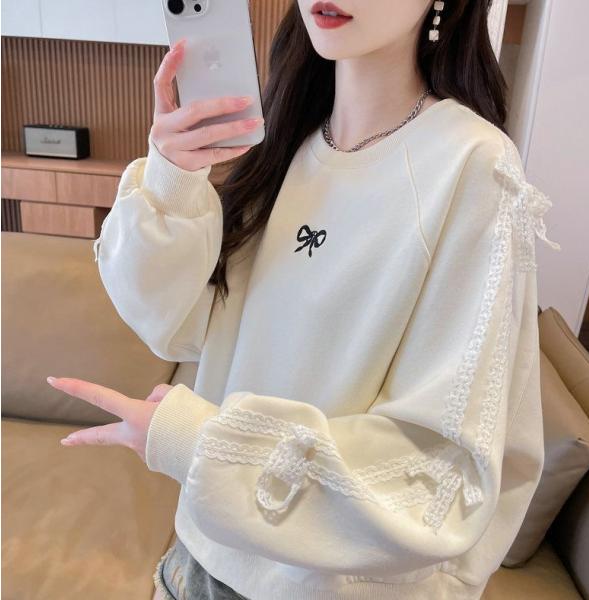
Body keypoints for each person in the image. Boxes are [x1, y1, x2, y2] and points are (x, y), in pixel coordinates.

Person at [52, 0, 562, 598]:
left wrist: (200, 444)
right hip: (196, 562)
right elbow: (179, 324)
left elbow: (438, 472)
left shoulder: (474, 166)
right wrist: (172, 178)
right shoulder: (286, 138)